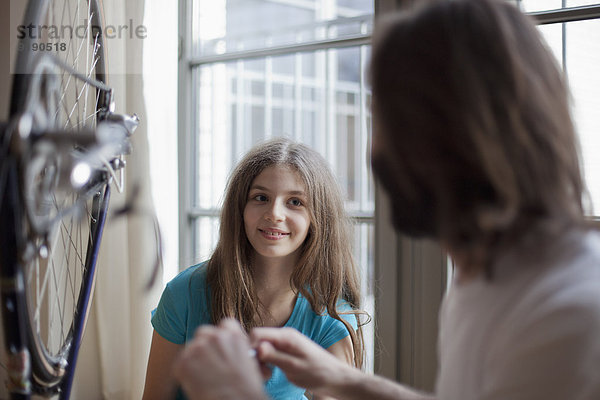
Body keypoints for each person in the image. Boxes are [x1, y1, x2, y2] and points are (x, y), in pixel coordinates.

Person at [171, 0, 600, 399]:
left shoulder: (570, 317)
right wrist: (348, 381)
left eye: (394, 123)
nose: (375, 150)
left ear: (466, 138)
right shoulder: (487, 277)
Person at [142, 137, 367, 400]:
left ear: (318, 218)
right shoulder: (184, 293)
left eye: (295, 202)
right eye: (261, 197)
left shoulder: (332, 318)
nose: (274, 213)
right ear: (240, 208)